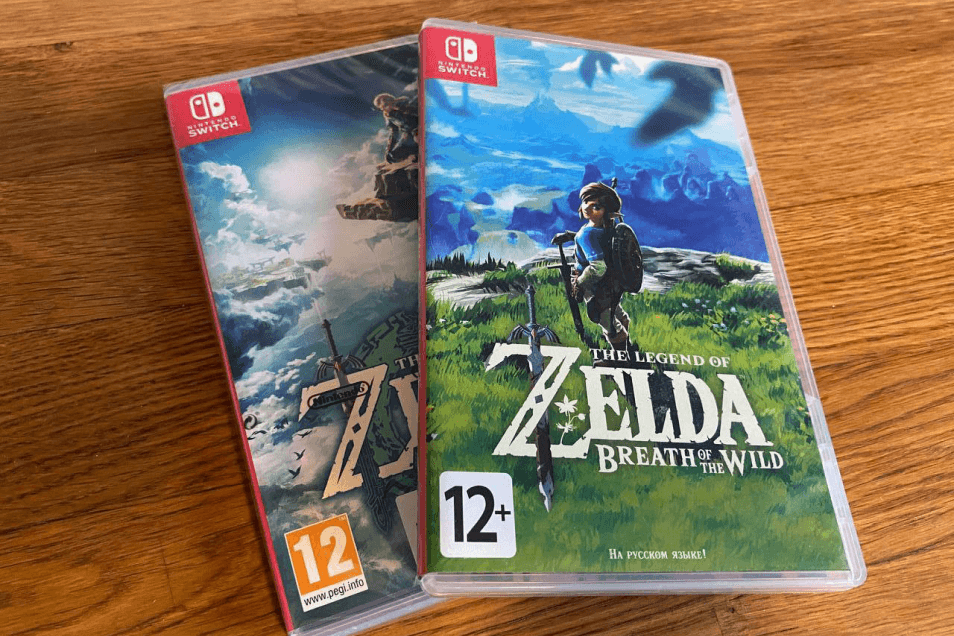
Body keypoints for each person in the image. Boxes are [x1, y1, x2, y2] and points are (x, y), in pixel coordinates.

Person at [571, 182, 631, 350]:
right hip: (612, 281)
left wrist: (579, 283)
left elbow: (598, 267)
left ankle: (621, 357)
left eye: (596, 207)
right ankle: (629, 348)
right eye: (586, 203)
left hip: (594, 284)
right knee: (616, 310)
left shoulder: (586, 234)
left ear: (608, 212)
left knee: (605, 319)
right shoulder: (609, 227)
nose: (587, 208)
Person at [372, 93, 418, 163]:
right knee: (393, 155)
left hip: (421, 128)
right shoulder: (389, 115)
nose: (384, 108)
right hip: (408, 135)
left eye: (386, 103)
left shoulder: (405, 103)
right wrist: (389, 150)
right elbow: (394, 132)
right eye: (381, 107)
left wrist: (401, 109)